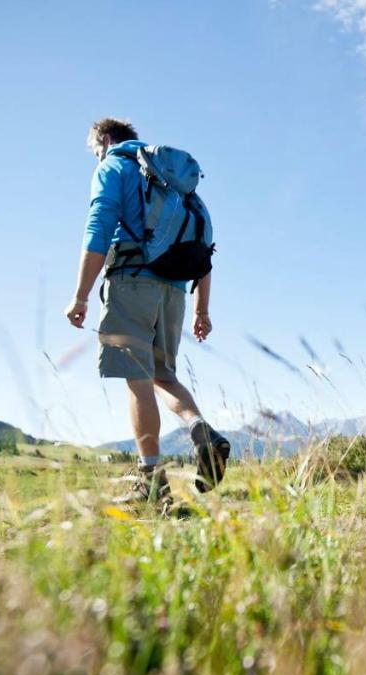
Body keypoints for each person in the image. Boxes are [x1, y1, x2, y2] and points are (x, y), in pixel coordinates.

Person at [64, 117, 230, 506]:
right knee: (164, 377)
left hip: (132, 282)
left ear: (104, 140)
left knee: (138, 381)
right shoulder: (178, 185)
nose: (96, 158)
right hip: (175, 292)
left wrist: (81, 295)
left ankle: (152, 484)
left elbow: (99, 227)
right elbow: (204, 251)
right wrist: (201, 311)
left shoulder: (114, 167)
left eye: (94, 151)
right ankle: (202, 431)